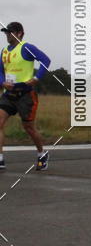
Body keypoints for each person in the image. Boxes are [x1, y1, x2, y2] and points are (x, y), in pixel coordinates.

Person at [0, 21, 51, 170]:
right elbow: (0, 71)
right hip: (8, 94)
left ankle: (42, 153)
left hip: (25, 94)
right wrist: (3, 82)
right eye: (6, 33)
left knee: (28, 127)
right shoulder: (4, 50)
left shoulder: (27, 47)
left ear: (19, 33)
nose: (7, 35)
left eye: (10, 32)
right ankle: (0, 159)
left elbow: (45, 60)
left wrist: (36, 78)